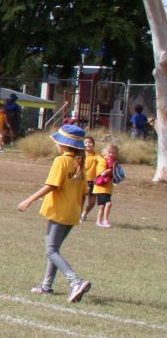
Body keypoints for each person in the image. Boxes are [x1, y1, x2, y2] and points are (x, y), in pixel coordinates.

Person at [16, 123, 92, 303]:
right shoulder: (79, 162)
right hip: (72, 212)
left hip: (60, 212)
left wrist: (28, 200)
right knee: (54, 249)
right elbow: (84, 191)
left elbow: (52, 185)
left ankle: (75, 282)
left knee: (50, 251)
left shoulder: (62, 161)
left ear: (64, 144)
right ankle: (46, 286)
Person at [90, 141, 120, 227]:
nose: (111, 154)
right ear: (105, 153)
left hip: (108, 188)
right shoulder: (103, 161)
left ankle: (99, 221)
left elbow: (117, 175)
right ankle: (105, 220)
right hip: (100, 188)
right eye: (109, 152)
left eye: (113, 153)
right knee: (107, 204)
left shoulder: (114, 163)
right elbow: (102, 173)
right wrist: (111, 169)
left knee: (102, 206)